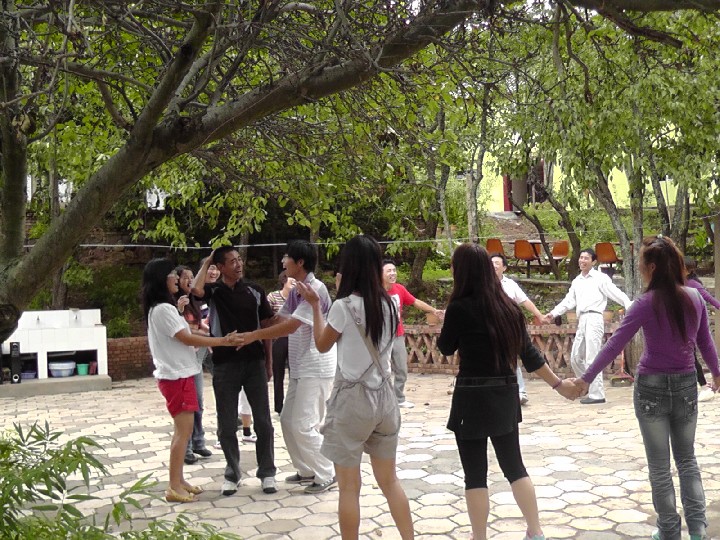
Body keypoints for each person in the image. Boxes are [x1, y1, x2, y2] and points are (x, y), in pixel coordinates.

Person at [574, 236, 719, 540]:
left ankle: (669, 531)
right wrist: (717, 374)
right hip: (685, 385)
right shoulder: (694, 297)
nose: (640, 269)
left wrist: (586, 379)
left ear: (652, 267)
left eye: (641, 264)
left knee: (660, 466)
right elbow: (705, 342)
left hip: (651, 387)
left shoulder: (645, 303)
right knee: (687, 460)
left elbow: (615, 344)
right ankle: (697, 531)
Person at [437, 243, 578, 540]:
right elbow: (530, 356)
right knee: (514, 466)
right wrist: (558, 385)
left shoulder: (459, 308)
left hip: (471, 397)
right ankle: (535, 532)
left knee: (475, 474)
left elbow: (446, 347)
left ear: (462, 271)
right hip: (504, 393)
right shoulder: (509, 308)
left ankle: (479, 537)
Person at [296, 235, 414, 539]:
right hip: (385, 398)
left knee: (349, 488)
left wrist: (315, 306)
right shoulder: (390, 304)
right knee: (390, 482)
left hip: (352, 400)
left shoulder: (343, 307)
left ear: (348, 267)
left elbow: (322, 344)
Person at [239, 240, 338, 495]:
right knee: (286, 420)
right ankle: (306, 469)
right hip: (300, 367)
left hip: (316, 367)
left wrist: (253, 336)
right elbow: (279, 318)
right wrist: (249, 322)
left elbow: (291, 326)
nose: (283, 262)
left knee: (304, 425)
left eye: (287, 258)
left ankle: (327, 472)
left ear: (300, 262)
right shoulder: (296, 290)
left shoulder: (316, 289)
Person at [141, 258, 241, 503]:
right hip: (177, 377)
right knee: (183, 433)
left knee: (182, 432)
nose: (176, 278)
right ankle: (173, 487)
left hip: (180, 374)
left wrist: (215, 335)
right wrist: (222, 341)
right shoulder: (163, 309)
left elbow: (187, 332)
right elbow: (187, 338)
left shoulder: (165, 307)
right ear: (161, 279)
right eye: (172, 275)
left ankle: (179, 480)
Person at [190, 247, 278, 496]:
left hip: (254, 363)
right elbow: (195, 290)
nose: (238, 265)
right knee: (227, 424)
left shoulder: (255, 290)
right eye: (231, 261)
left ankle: (267, 472)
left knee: (263, 421)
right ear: (220, 267)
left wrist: (269, 362)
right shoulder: (214, 291)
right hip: (224, 365)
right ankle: (232, 473)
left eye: (239, 260)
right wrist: (208, 261)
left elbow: (266, 328)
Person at [543, 247, 632, 404]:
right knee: (575, 357)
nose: (582, 260)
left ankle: (597, 394)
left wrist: (628, 304)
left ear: (593, 262)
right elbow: (569, 301)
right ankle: (586, 386)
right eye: (581, 257)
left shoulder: (600, 278)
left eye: (586, 258)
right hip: (582, 319)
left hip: (594, 318)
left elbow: (615, 292)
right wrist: (554, 313)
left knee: (592, 358)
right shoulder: (577, 281)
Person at [382, 259, 444, 408]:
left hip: (397, 334)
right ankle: (382, 400)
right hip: (380, 336)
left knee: (401, 368)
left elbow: (415, 302)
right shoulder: (374, 291)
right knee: (382, 370)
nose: (393, 273)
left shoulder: (399, 289)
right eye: (389, 271)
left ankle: (399, 398)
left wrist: (433, 311)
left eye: (394, 270)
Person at [490, 253, 545, 406]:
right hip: (490, 329)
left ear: (504, 268)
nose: (493, 266)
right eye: (491, 263)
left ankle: (520, 392)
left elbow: (525, 301)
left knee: (511, 358)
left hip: (508, 328)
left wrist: (539, 315)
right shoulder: (482, 285)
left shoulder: (510, 285)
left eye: (497, 263)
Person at [173, 265, 212, 465]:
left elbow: (199, 325)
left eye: (191, 277)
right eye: (185, 277)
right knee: (187, 405)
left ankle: (198, 442)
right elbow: (182, 331)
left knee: (198, 401)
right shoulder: (172, 304)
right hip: (182, 359)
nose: (189, 281)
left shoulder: (194, 300)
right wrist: (179, 310)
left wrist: (210, 333)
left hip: (197, 355)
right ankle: (186, 448)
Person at [685, 256, 720, 402]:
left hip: (693, 324)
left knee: (695, 353)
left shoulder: (692, 284)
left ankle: (706, 385)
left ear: (688, 270)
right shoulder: (674, 283)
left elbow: (709, 298)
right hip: (680, 325)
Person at [266, 271, 297, 414]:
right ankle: (279, 406)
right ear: (284, 281)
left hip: (294, 338)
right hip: (278, 338)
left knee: (294, 372)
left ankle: (293, 403)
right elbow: (267, 317)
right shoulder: (273, 296)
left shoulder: (299, 297)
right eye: (292, 281)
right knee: (278, 373)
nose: (294, 284)